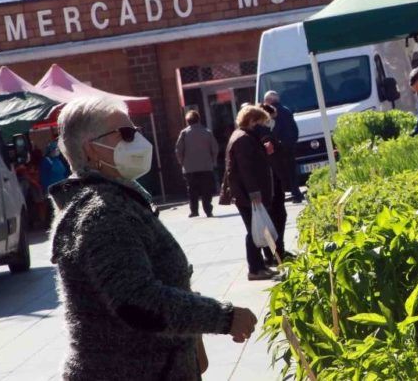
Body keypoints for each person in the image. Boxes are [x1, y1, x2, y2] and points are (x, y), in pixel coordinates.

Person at [49, 97, 256, 380]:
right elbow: (138, 301)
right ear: (91, 148)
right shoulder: (104, 213)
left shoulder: (114, 200)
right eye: (127, 134)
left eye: (137, 130)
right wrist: (223, 317)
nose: (138, 140)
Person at [222, 105, 277, 280]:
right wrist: (254, 193)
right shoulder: (243, 139)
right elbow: (246, 169)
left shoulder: (242, 137)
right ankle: (254, 268)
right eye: (260, 122)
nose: (262, 126)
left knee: (256, 228)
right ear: (252, 121)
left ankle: (259, 266)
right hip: (248, 194)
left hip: (245, 193)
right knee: (254, 229)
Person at [259, 103, 292, 265]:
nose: (274, 121)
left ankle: (277, 252)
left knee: (275, 218)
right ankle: (276, 253)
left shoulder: (265, 133)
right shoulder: (264, 135)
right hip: (271, 184)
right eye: (272, 117)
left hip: (273, 182)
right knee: (276, 218)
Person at [175, 110, 219, 218]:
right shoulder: (207, 132)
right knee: (206, 189)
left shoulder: (184, 133)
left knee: (192, 190)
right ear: (199, 119)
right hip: (206, 166)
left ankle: (194, 211)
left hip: (189, 168)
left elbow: (178, 149)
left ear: (187, 121)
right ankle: (208, 210)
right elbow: (215, 148)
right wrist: (213, 160)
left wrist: (181, 162)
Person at [263, 90, 303, 203]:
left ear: (270, 101)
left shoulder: (269, 112)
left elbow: (271, 130)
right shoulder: (287, 110)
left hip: (277, 147)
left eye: (265, 100)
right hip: (289, 146)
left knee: (279, 172)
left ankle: (283, 194)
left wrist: (271, 142)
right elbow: (294, 129)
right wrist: (293, 142)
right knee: (291, 170)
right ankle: (296, 193)